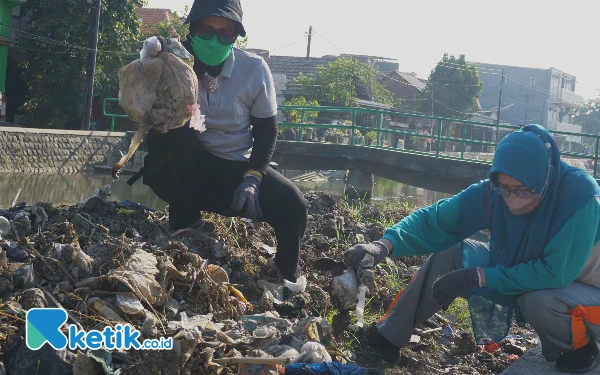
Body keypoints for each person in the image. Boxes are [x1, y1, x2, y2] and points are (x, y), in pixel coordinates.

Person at [344, 124, 600, 374]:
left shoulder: (579, 197)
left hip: (588, 289)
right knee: (453, 253)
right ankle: (388, 336)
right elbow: (436, 218)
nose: (511, 199)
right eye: (505, 189)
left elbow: (554, 273)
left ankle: (580, 349)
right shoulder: (493, 194)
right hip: (549, 279)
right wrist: (384, 244)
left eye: (521, 190)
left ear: (544, 178)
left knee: (539, 300)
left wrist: (480, 276)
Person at [136, 0, 307, 282]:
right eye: (206, 31)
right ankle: (186, 218)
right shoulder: (174, 63)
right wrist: (147, 63)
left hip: (234, 170)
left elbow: (267, 132)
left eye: (224, 33)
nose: (214, 39)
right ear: (192, 31)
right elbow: (140, 105)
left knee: (293, 204)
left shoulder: (253, 69)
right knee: (169, 134)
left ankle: (285, 273)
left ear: (236, 36)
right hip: (184, 166)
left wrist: (253, 178)